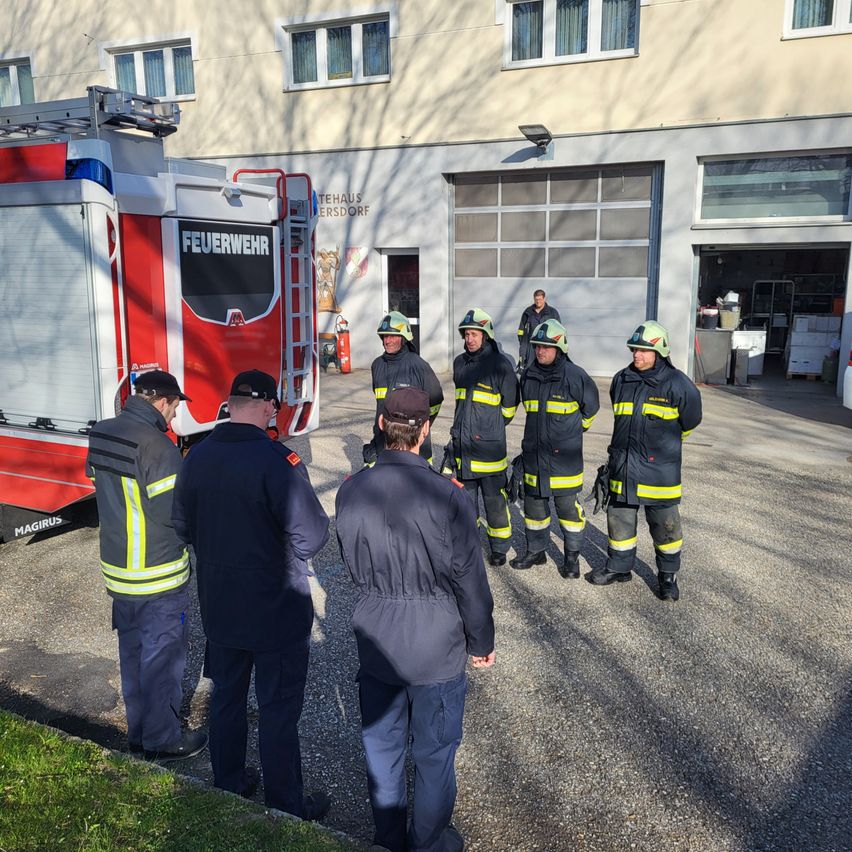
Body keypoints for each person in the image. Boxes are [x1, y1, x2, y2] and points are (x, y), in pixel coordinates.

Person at [336, 387, 495, 852]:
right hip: (436, 647)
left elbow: (349, 561)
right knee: (433, 753)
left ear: (383, 424)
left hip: (377, 635)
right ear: (425, 430)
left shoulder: (351, 490)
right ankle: (428, 842)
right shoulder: (448, 495)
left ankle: (388, 838)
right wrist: (480, 639)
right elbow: (469, 579)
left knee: (383, 749)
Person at [172, 370, 330, 819]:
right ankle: (285, 804)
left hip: (220, 606)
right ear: (267, 408)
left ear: (229, 404)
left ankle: (229, 784)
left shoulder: (197, 457)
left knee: (226, 699)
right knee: (278, 710)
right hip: (275, 609)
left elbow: (181, 526)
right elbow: (312, 536)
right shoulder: (278, 462)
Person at [86, 370, 206, 761]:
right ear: (161, 402)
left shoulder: (102, 432)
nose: (174, 417)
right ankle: (162, 739)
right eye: (174, 407)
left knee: (133, 656)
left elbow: (103, 484)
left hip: (118, 572)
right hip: (157, 575)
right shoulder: (159, 448)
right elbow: (175, 515)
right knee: (163, 659)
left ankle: (138, 734)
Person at [588, 321, 703, 601]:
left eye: (642, 351)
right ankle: (619, 567)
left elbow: (689, 422)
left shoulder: (678, 385)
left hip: (659, 473)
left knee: (666, 528)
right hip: (623, 467)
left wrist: (665, 446)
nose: (636, 355)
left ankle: (667, 578)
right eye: (634, 350)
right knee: (619, 521)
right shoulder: (621, 379)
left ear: (660, 351)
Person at [510, 320, 600, 577]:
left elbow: (590, 412)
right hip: (535, 456)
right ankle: (535, 551)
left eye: (546, 347)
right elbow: (529, 409)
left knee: (568, 510)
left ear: (559, 347)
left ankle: (572, 558)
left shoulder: (576, 376)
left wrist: (569, 432)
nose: (540, 351)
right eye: (537, 346)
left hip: (565, 459)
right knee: (534, 508)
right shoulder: (528, 375)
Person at [445, 308, 519, 566]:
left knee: (495, 502)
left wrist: (489, 428)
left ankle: (499, 549)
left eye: (475, 334)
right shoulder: (459, 364)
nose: (470, 339)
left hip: (489, 451)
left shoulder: (500, 366)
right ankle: (469, 545)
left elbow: (509, 409)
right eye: (466, 334)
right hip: (464, 448)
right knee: (466, 505)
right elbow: (460, 406)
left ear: (486, 335)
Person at [363, 311, 444, 466]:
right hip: (384, 444)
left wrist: (420, 426)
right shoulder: (377, 365)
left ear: (404, 337)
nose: (388, 340)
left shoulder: (419, 366)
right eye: (385, 336)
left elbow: (436, 399)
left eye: (392, 336)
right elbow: (380, 405)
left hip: (414, 445)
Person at [517, 289, 561, 372]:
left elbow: (558, 330)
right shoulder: (528, 312)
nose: (538, 302)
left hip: (547, 345)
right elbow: (521, 329)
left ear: (544, 299)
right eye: (536, 299)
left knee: (546, 368)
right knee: (529, 368)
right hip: (531, 345)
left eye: (540, 299)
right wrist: (522, 342)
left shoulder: (552, 312)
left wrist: (554, 346)